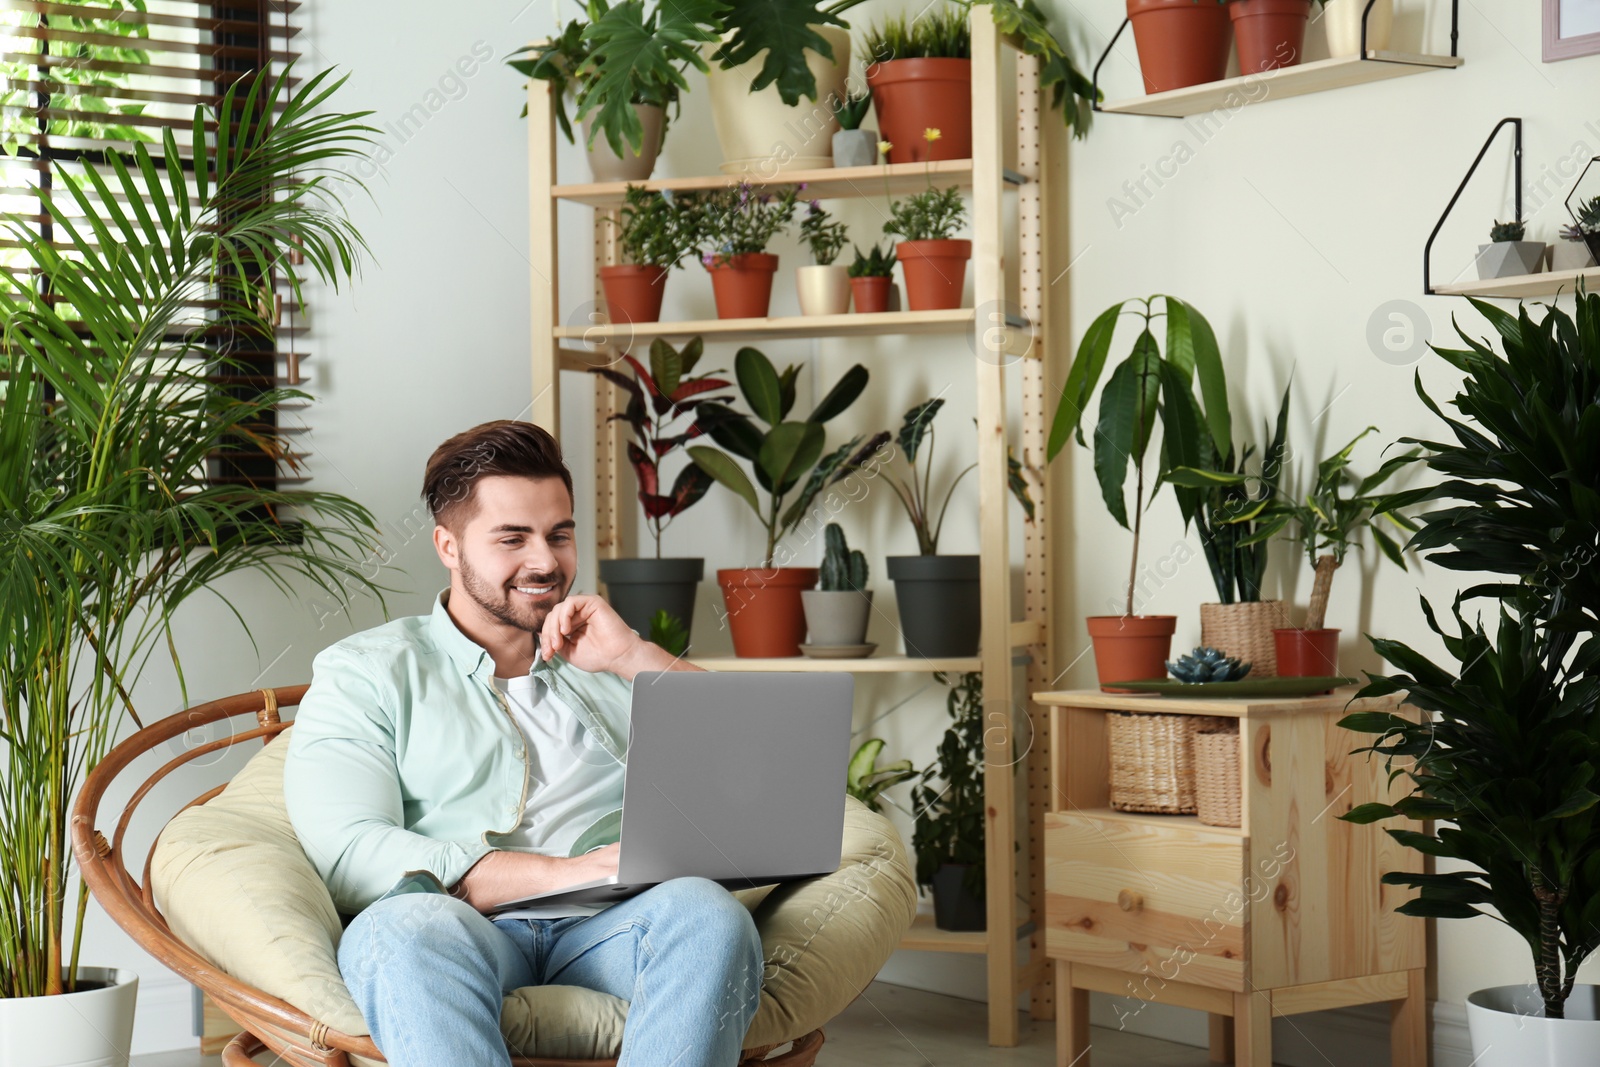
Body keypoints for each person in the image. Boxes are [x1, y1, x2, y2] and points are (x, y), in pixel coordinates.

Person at [284, 420, 763, 1067]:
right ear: (447, 545)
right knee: (405, 932)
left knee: (709, 917)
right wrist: (556, 873)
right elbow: (348, 845)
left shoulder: (605, 658)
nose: (546, 561)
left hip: (611, 922)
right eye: (513, 538)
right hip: (463, 924)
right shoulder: (367, 670)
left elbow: (759, 753)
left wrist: (632, 655)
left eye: (559, 534)